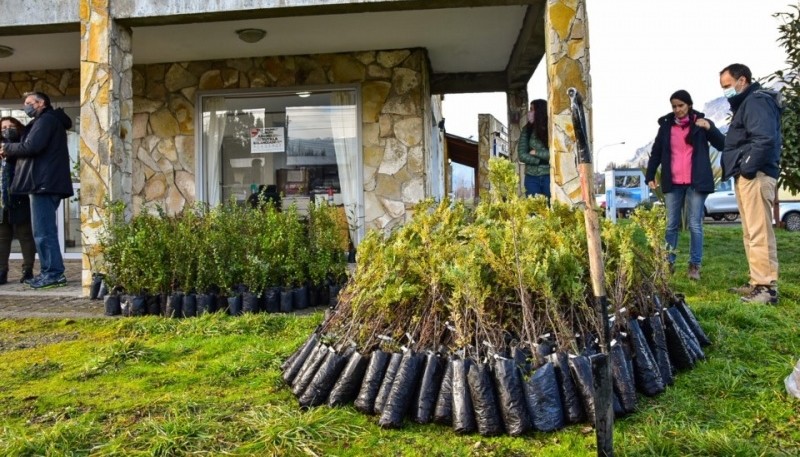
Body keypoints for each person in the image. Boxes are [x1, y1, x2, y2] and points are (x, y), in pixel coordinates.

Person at [719, 63, 782, 304]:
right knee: (752, 232)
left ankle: (766, 289)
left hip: (755, 176)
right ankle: (758, 281)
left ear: (742, 80)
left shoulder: (756, 101)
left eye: (727, 86)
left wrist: (747, 169)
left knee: (759, 232)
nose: (725, 91)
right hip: (749, 176)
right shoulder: (747, 103)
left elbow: (764, 139)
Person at [645, 90, 725, 281]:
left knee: (695, 225)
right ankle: (668, 264)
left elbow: (722, 144)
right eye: (674, 106)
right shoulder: (666, 127)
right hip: (673, 183)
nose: (677, 109)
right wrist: (650, 174)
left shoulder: (700, 123)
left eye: (681, 105)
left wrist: (709, 128)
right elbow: (656, 152)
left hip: (696, 183)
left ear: (689, 104)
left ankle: (694, 265)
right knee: (671, 225)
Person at [0, 92, 74, 289]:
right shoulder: (45, 121)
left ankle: (53, 274)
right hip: (43, 183)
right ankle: (50, 272)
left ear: (41, 103)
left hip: (43, 184)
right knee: (43, 231)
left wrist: (7, 148)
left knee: (43, 232)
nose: (26, 106)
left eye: (28, 103)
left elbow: (32, 146)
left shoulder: (46, 121)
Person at [0, 117, 36, 284]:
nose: (7, 130)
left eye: (11, 126)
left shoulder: (24, 144)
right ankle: (2, 271)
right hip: (2, 199)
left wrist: (11, 153)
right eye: (4, 127)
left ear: (17, 127)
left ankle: (28, 269)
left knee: (25, 235)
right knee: (2, 236)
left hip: (20, 196)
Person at [518, 99, 551, 200]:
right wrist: (540, 160)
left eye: (532, 110)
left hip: (548, 176)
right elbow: (522, 155)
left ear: (540, 112)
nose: (529, 113)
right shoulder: (526, 130)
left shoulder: (550, 130)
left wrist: (535, 152)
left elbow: (553, 154)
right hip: (531, 177)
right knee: (533, 211)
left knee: (550, 209)